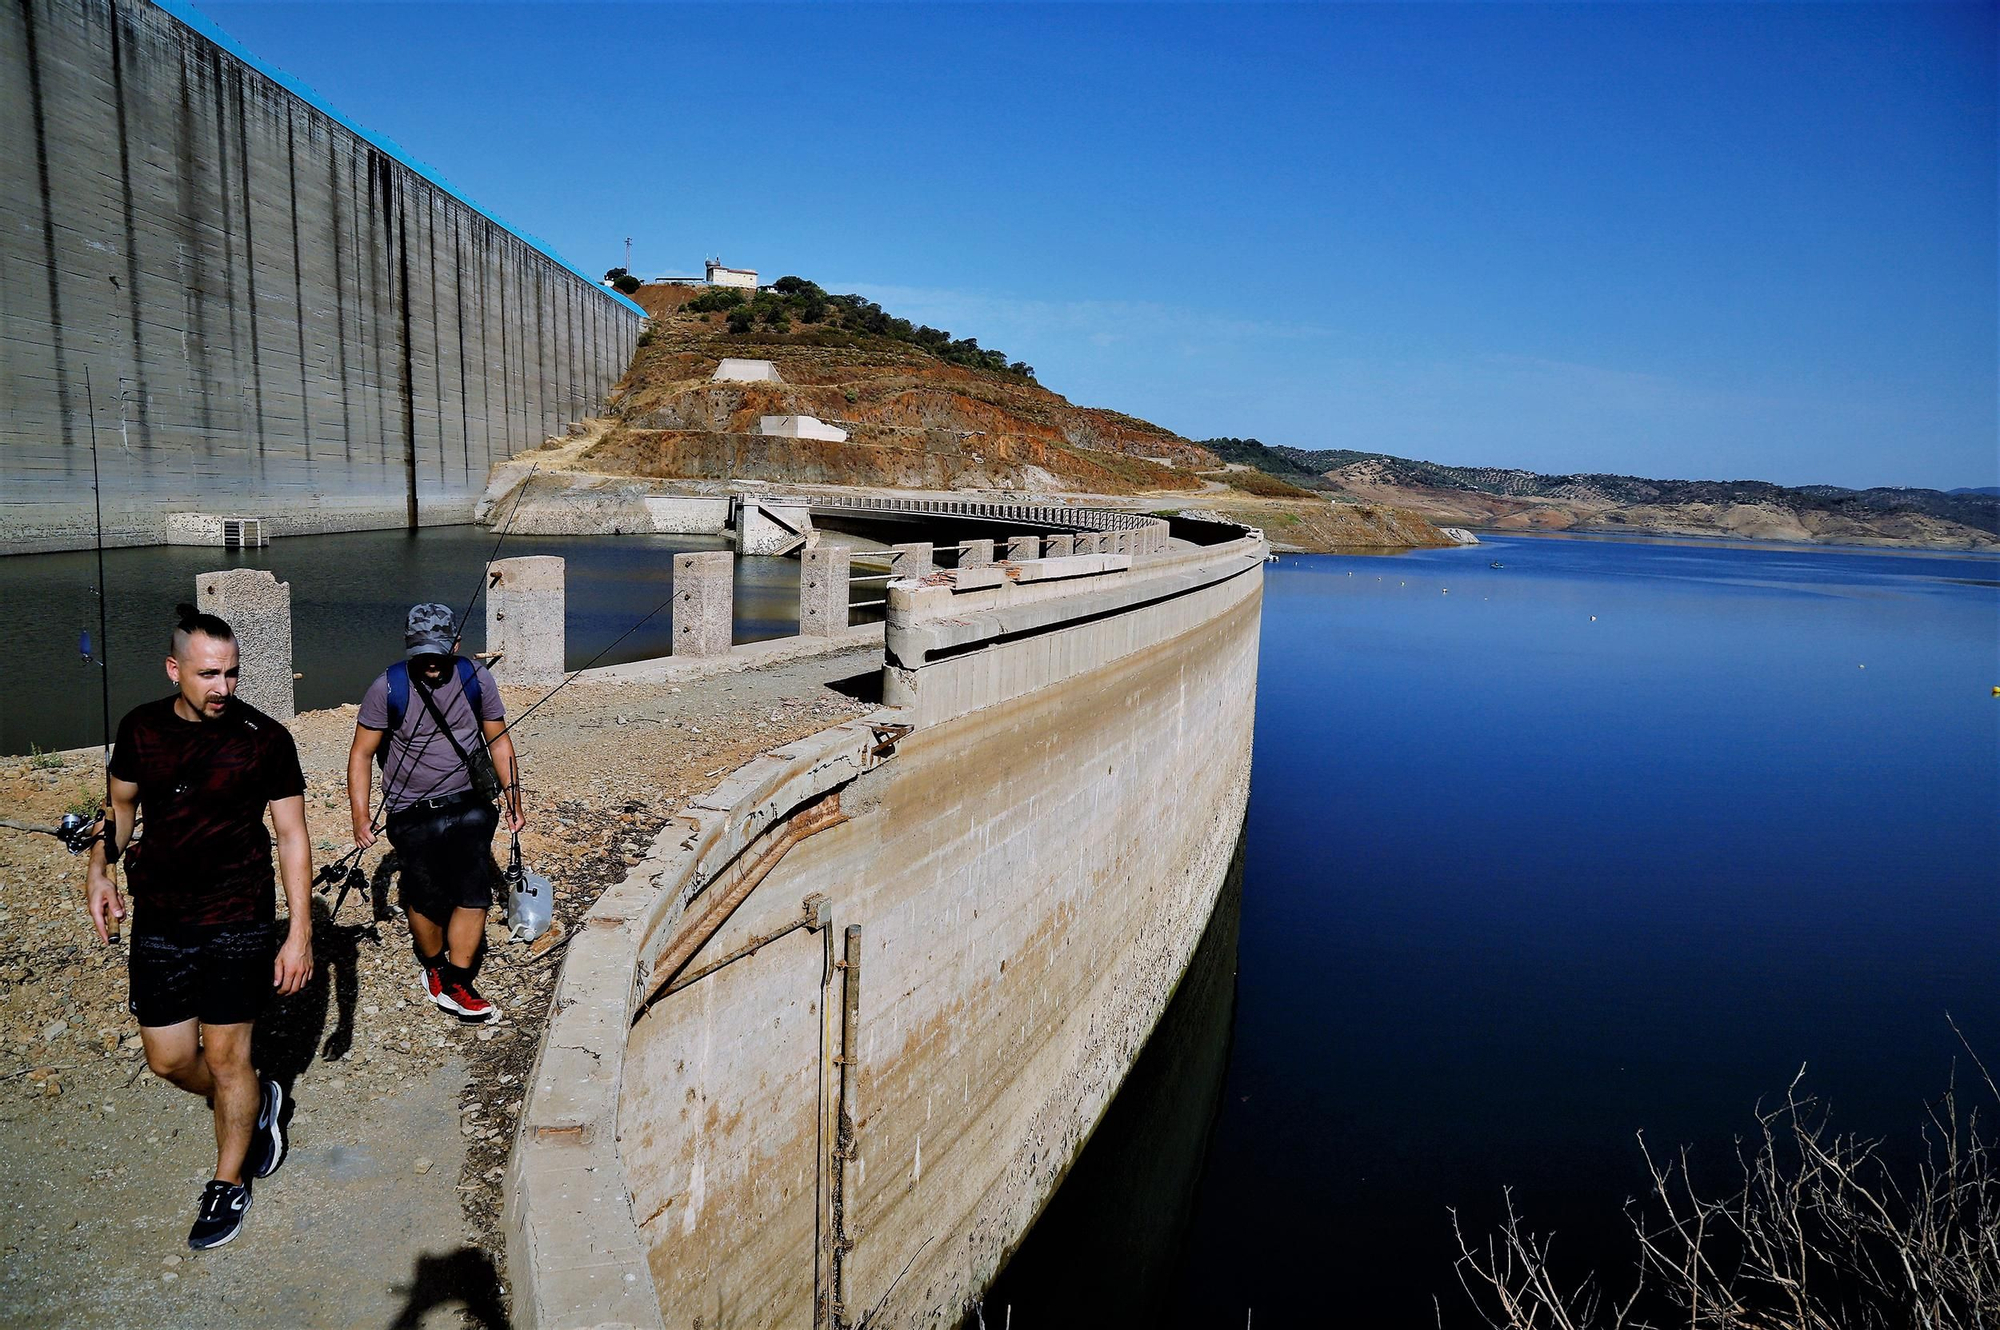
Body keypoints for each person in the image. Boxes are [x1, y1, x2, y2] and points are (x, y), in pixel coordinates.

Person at [85, 604, 312, 1251]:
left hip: (238, 917)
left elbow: (293, 837)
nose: (224, 688)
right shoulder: (140, 731)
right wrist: (99, 869)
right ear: (174, 668)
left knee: (225, 1054)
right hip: (159, 919)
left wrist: (299, 933)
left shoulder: (266, 740)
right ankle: (260, 1100)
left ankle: (228, 1180)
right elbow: (119, 811)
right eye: (209, 674)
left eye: (232, 674)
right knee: (170, 1058)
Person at [346, 603, 523, 1024]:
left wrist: (515, 799)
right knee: (424, 895)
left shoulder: (476, 678)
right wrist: (360, 816)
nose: (430, 660)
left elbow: (499, 742)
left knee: (473, 891)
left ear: (455, 645)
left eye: (438, 651)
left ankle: (458, 981)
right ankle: (434, 969)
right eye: (420, 651)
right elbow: (361, 754)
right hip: (410, 811)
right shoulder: (387, 688)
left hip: (469, 802)